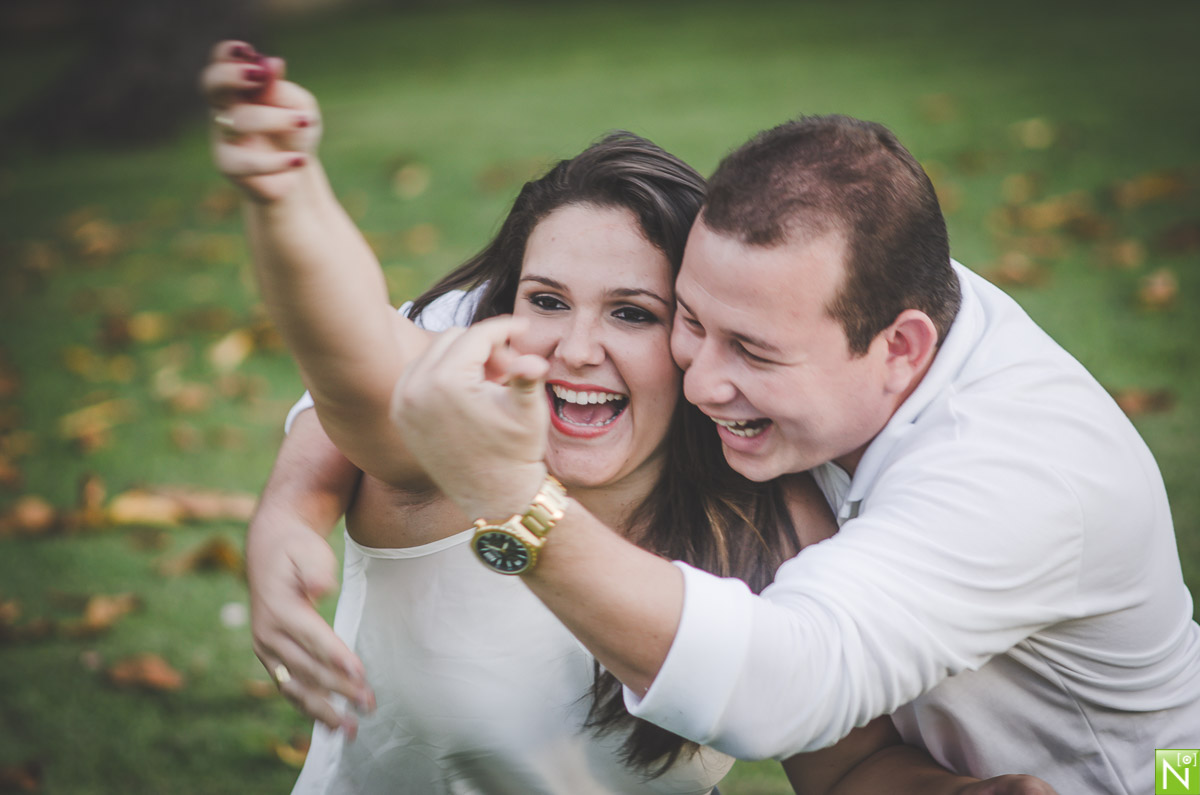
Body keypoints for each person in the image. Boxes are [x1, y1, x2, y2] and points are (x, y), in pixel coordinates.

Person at [203, 42, 1054, 795]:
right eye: (546, 301)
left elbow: (849, 767)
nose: (576, 347)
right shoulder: (437, 460)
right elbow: (351, 344)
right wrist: (286, 192)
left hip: (1178, 758)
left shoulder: (767, 513)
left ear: (692, 333)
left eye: (633, 313)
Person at [391, 114, 1200, 794]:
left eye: (751, 351)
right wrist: (298, 483)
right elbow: (453, 320)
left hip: (1158, 763)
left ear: (900, 350)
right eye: (691, 321)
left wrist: (512, 501)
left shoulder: (1018, 472)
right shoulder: (831, 287)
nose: (702, 382)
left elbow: (777, 689)